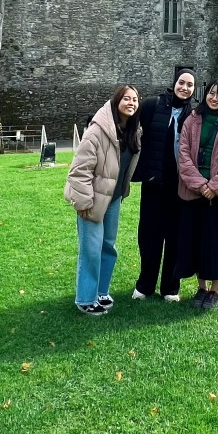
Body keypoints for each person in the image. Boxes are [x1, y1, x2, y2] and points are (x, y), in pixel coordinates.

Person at [64, 85, 142, 316]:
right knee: (91, 249)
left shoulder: (133, 131)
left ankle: (100, 291)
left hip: (114, 200)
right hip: (93, 200)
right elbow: (79, 170)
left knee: (108, 247)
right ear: (116, 101)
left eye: (135, 99)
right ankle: (85, 298)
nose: (131, 103)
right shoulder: (97, 131)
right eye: (126, 99)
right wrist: (83, 202)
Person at [131, 68, 197, 302]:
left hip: (180, 185)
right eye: (182, 82)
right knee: (149, 235)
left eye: (190, 84)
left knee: (175, 236)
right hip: (154, 183)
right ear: (174, 83)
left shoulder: (195, 114)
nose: (185, 88)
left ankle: (170, 287)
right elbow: (132, 129)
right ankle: (145, 284)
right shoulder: (152, 105)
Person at [176, 77, 218, 311]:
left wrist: (214, 186)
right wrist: (200, 184)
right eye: (211, 93)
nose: (215, 98)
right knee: (196, 241)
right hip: (194, 192)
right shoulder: (192, 120)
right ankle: (201, 287)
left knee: (217, 242)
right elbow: (182, 155)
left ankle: (214, 290)